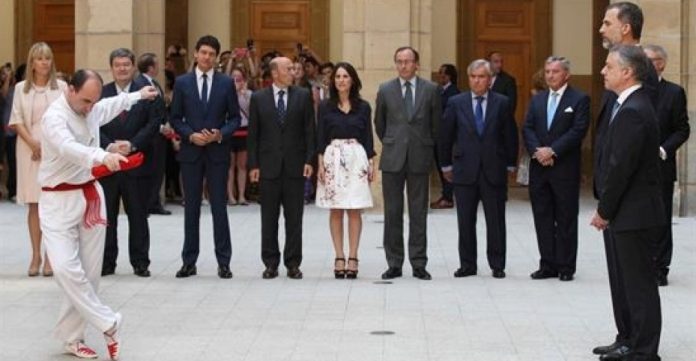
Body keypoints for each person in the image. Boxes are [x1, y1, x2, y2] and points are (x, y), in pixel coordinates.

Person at [39, 69, 157, 360]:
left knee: (90, 274)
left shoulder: (92, 106)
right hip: (57, 201)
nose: (90, 107)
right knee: (67, 269)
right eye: (85, 101)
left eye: (93, 101)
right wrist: (104, 156)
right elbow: (70, 149)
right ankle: (108, 321)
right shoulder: (54, 118)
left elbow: (107, 106)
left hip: (90, 197)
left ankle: (72, 337)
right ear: (70, 91)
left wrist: (137, 96)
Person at [592, 3, 660, 359]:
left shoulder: (635, 108)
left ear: (629, 72)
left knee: (639, 284)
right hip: (623, 209)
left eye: (609, 67)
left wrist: (604, 208)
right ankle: (628, 338)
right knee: (624, 282)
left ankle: (644, 349)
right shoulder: (625, 101)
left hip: (632, 209)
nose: (603, 71)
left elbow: (623, 165)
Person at [438, 59, 518, 279]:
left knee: (496, 220)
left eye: (481, 77)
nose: (477, 81)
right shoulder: (456, 102)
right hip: (464, 170)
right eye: (473, 76)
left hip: (493, 169)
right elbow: (445, 136)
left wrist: (511, 163)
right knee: (465, 221)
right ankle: (467, 264)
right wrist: (445, 165)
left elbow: (509, 135)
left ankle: (497, 263)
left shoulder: (501, 103)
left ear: (490, 80)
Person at [170, 35, 241, 279]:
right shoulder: (182, 83)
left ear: (216, 58)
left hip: (217, 153)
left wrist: (219, 134)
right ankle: (189, 261)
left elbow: (235, 118)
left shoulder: (225, 83)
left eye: (212, 54)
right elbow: (175, 118)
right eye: (203, 52)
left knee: (219, 207)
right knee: (191, 208)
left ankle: (224, 262)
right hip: (191, 153)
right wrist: (190, 135)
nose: (207, 57)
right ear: (196, 54)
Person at [375, 46, 441, 281]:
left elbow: (436, 125)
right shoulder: (385, 90)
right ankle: (394, 263)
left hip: (419, 156)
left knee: (418, 213)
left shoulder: (431, 90)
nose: (403, 65)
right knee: (392, 213)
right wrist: (394, 143)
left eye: (408, 61)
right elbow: (380, 124)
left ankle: (419, 263)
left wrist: (422, 144)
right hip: (393, 158)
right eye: (399, 61)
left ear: (416, 64)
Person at [522, 56, 590, 282]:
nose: (550, 75)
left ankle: (566, 266)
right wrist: (538, 151)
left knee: (566, 219)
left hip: (564, 169)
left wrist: (552, 151)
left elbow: (578, 130)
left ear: (566, 74)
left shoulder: (579, 99)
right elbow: (528, 127)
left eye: (555, 71)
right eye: (547, 71)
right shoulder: (538, 99)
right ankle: (547, 264)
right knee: (542, 217)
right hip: (539, 169)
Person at [247, 56, 315, 280]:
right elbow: (253, 135)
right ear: (275, 73)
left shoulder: (303, 96)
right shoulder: (258, 98)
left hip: (295, 168)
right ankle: (270, 263)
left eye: (293, 68)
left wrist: (309, 160)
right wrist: (253, 164)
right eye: (288, 69)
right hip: (268, 168)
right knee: (269, 218)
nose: (293, 72)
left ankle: (293, 263)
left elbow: (309, 132)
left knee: (294, 219)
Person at [99, 48, 162, 277]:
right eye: (118, 65)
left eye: (126, 64)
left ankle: (140, 262)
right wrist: (109, 146)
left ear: (133, 66)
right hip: (108, 164)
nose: (122, 68)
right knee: (107, 218)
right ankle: (107, 262)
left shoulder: (146, 92)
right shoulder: (101, 92)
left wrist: (133, 144)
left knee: (138, 214)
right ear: (112, 67)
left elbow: (154, 122)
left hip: (137, 162)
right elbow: (93, 122)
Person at [9, 42, 67, 277]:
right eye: (40, 58)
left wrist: (49, 145)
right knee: (35, 204)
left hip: (54, 149)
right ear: (32, 62)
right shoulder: (21, 88)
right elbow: (16, 119)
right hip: (28, 149)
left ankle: (52, 257)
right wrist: (33, 143)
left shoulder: (61, 87)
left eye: (48, 58)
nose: (44, 63)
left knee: (52, 205)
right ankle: (36, 254)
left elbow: (66, 119)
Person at [316, 62, 374, 279]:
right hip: (332, 158)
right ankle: (339, 256)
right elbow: (320, 136)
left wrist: (371, 164)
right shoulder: (325, 106)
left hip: (357, 159)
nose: (341, 80)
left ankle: (353, 256)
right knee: (336, 209)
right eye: (338, 76)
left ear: (353, 80)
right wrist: (320, 164)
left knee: (354, 209)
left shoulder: (364, 106)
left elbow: (368, 136)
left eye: (345, 76)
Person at [643, 44, 690, 287]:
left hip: (661, 166)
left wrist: (663, 149)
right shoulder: (634, 91)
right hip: (635, 167)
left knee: (660, 218)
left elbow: (683, 129)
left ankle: (660, 267)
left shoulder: (674, 92)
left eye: (650, 60)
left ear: (661, 63)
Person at [137, 52, 172, 216]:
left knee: (158, 170)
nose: (160, 67)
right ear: (151, 67)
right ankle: (146, 204)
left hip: (160, 135)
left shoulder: (155, 83)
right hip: (149, 135)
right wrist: (159, 127)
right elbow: (143, 113)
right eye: (157, 64)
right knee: (149, 170)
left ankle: (154, 202)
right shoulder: (139, 84)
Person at [430, 63, 459, 210]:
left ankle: (448, 197)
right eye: (440, 73)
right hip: (437, 136)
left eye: (443, 73)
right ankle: (446, 195)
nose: (440, 76)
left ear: (449, 76)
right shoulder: (441, 91)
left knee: (446, 166)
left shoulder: (453, 92)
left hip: (446, 137)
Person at [227, 67, 252, 206]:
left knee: (242, 165)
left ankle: (242, 195)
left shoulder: (248, 94)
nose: (236, 80)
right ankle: (230, 195)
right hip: (230, 130)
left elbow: (251, 111)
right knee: (229, 165)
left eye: (239, 78)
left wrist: (243, 95)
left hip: (244, 129)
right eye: (233, 78)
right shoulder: (225, 92)